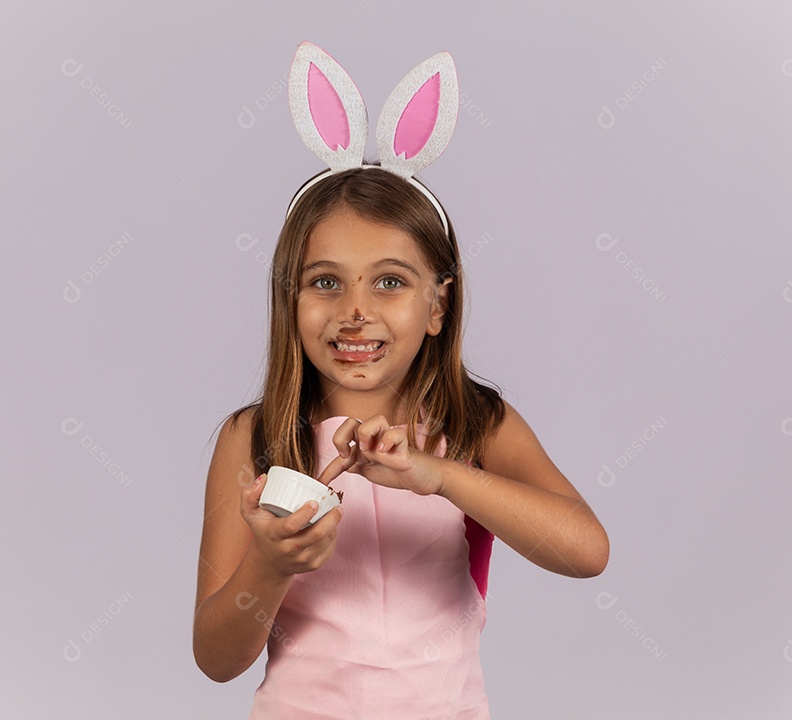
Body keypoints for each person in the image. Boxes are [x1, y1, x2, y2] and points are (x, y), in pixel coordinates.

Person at [193, 42, 609, 719]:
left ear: (438, 306)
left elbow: (587, 550)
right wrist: (269, 567)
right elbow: (215, 658)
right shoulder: (256, 438)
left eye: (390, 281)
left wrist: (438, 475)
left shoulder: (475, 426)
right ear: (289, 300)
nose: (356, 310)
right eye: (325, 282)